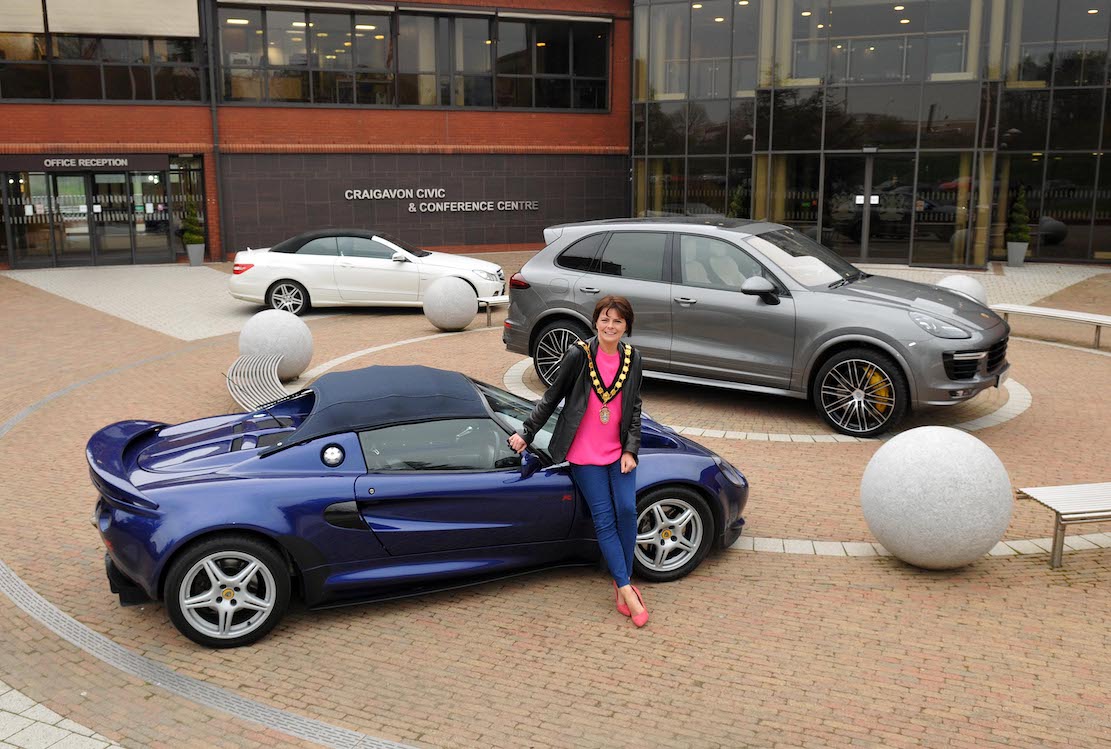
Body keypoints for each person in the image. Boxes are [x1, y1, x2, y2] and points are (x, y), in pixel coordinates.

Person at [508, 296, 648, 627]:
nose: (610, 326)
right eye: (604, 319)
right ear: (595, 322)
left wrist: (630, 449)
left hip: (617, 451)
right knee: (604, 518)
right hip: (584, 452)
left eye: (617, 321)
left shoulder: (633, 358)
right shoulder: (579, 355)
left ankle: (619, 580)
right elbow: (551, 397)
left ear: (626, 326)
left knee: (627, 511)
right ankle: (627, 590)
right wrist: (527, 433)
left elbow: (635, 406)